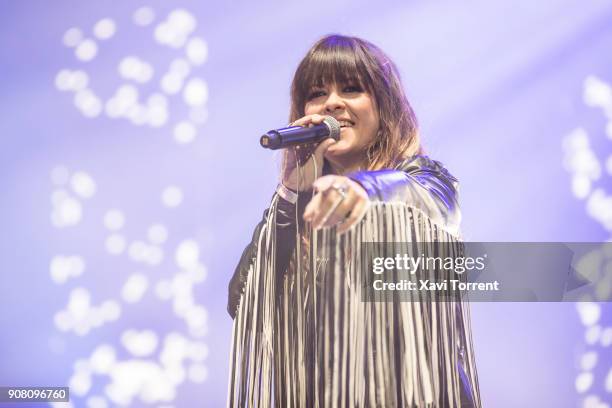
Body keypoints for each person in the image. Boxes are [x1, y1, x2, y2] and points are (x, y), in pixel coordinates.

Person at [227, 34, 480, 407]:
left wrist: (361, 190)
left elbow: (425, 199)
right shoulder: (298, 208)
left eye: (351, 89)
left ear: (385, 107)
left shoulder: (423, 179)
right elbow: (243, 300)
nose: (332, 103)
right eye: (317, 93)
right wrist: (292, 192)